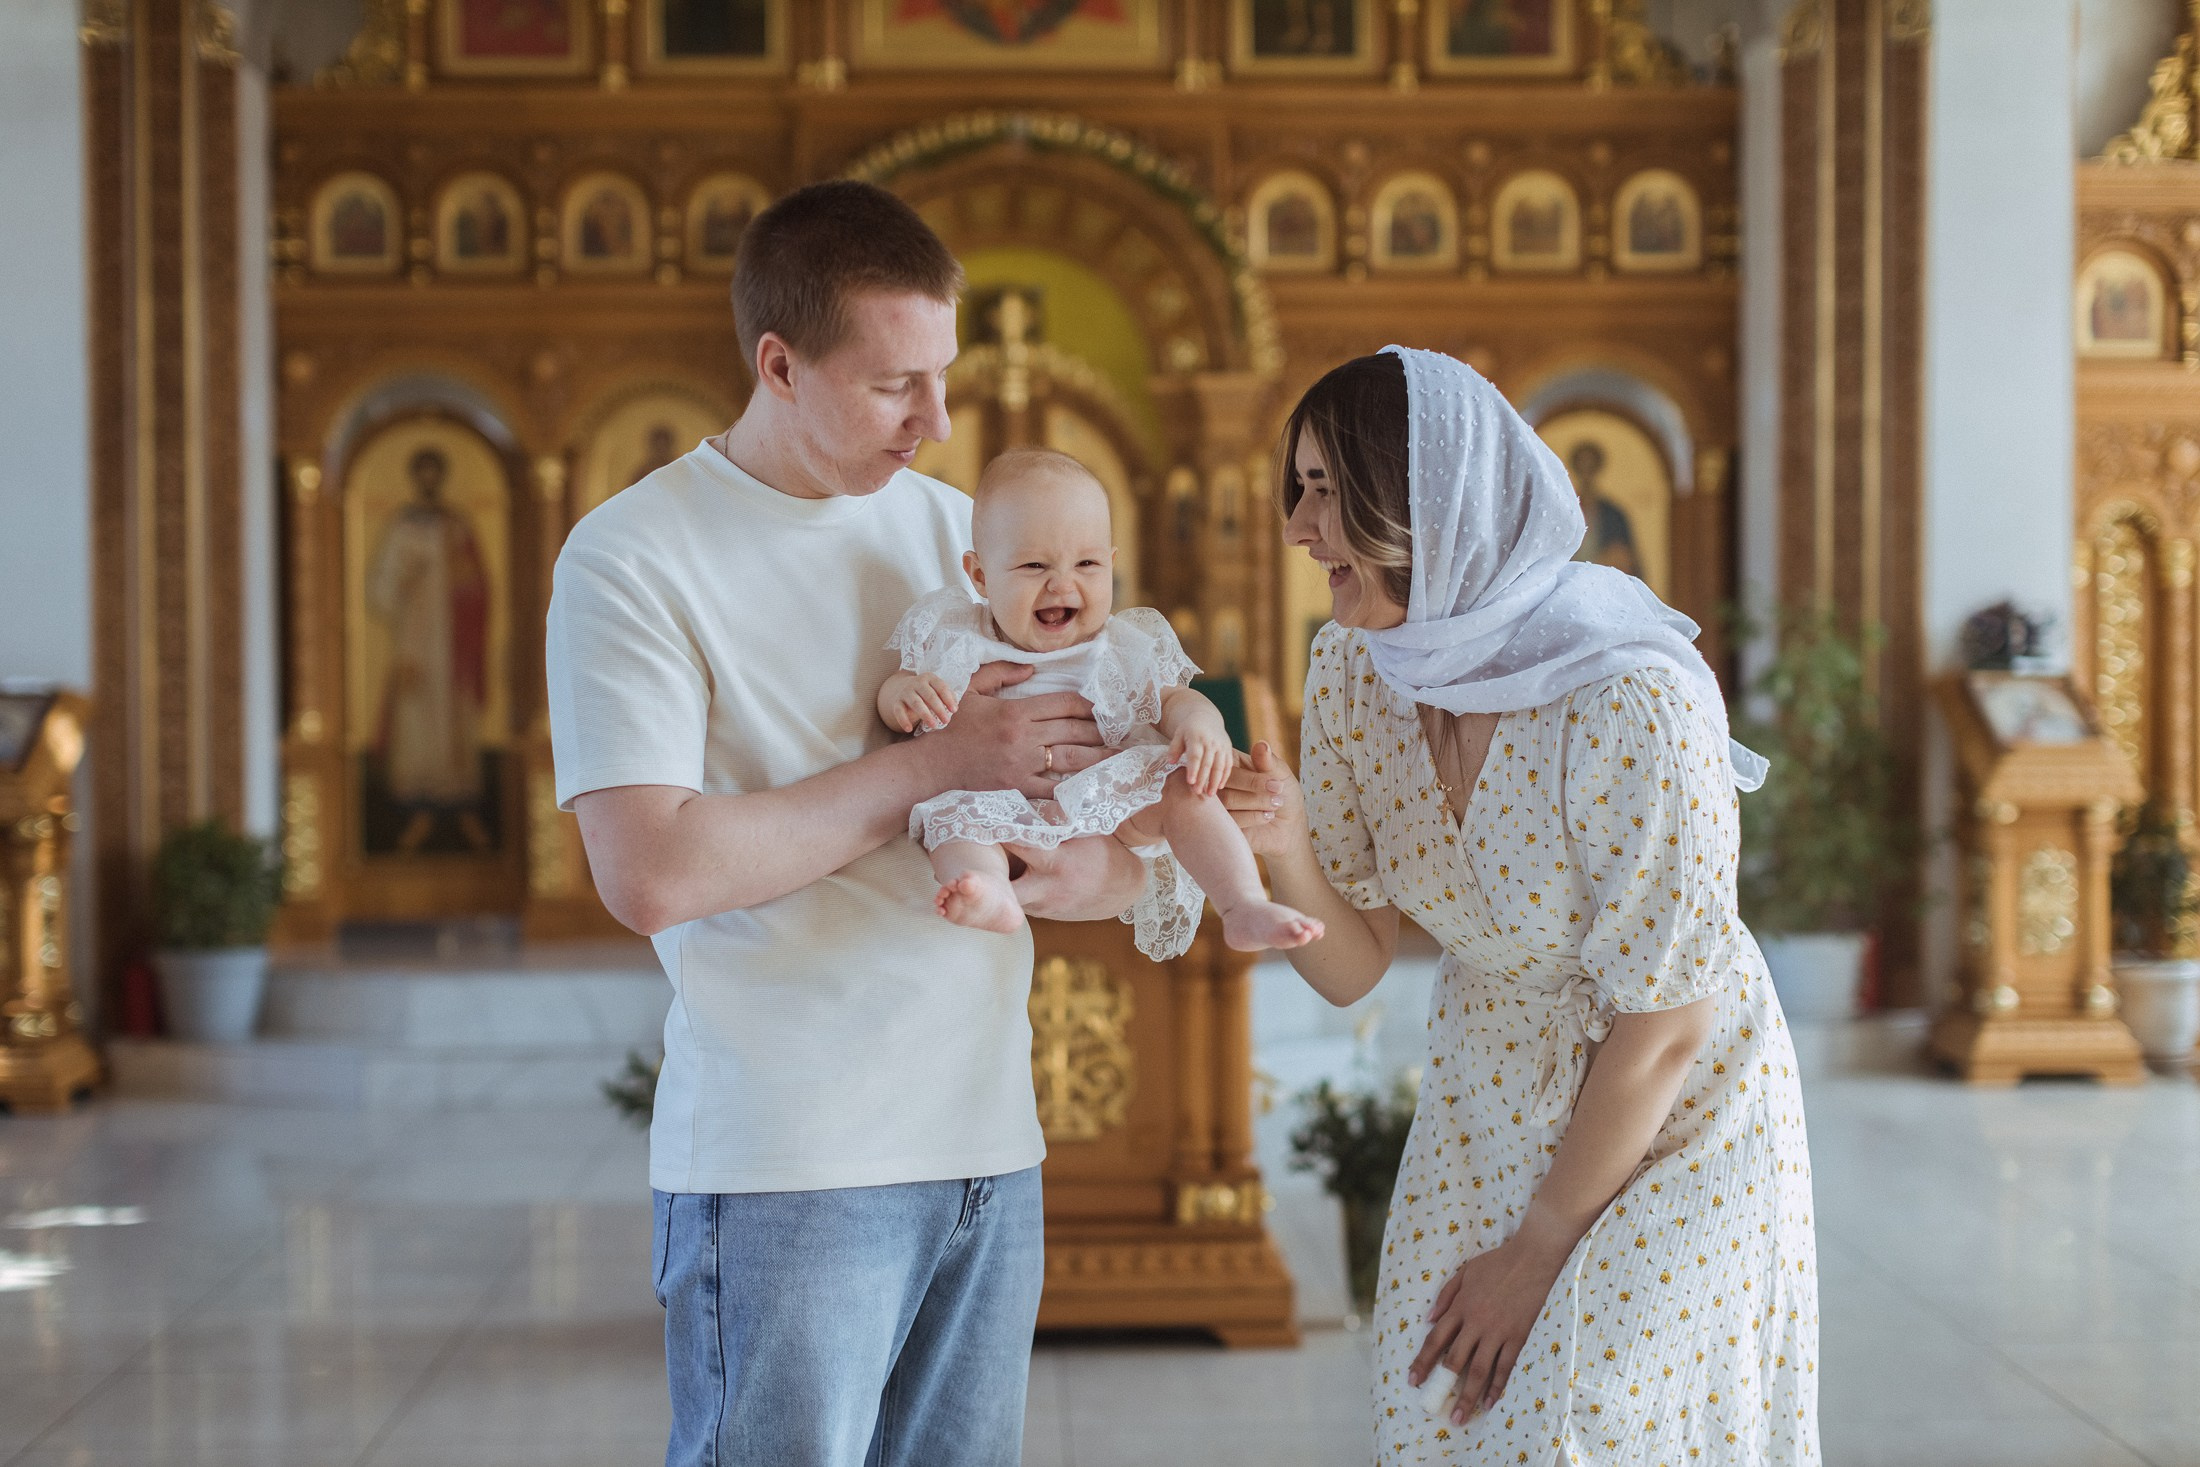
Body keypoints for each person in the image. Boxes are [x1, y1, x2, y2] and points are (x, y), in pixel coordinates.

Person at [545, 179, 1154, 1467]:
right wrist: (939, 763)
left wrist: (1088, 859)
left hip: (987, 1136)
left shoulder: (966, 541)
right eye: (894, 386)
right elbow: (648, 870)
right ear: (779, 364)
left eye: (943, 376)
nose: (937, 422)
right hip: (791, 1163)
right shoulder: (634, 557)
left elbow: (1093, 854)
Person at [1226, 347, 1818, 1463]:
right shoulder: (1357, 671)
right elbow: (1354, 965)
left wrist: (1538, 1246)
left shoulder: (1628, 701)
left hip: (1672, 1109)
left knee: (1600, 1421)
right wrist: (1283, 847)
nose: (1297, 529)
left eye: (1321, 490)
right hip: (1484, 1098)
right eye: (1293, 491)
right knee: (1441, 1416)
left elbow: (1671, 1018)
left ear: (1421, 498)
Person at [883, 446, 1322, 957]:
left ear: (1111, 565)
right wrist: (906, 695)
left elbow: (1173, 698)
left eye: (1086, 563)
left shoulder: (1119, 645)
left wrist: (1204, 727)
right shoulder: (958, 635)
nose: (1062, 583)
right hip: (997, 804)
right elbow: (897, 698)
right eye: (1033, 564)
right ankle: (989, 890)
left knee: (1186, 792)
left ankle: (1243, 903)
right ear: (980, 576)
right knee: (955, 829)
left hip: (1107, 800)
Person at [367, 445, 491, 854]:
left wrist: (464, 583)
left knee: (455, 722)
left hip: (454, 642)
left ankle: (458, 805)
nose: (428, 479)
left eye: (434, 471)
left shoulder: (456, 524)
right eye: (421, 472)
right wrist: (405, 581)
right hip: (416, 642)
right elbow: (380, 590)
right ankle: (415, 810)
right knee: (417, 722)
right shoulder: (402, 526)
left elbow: (479, 584)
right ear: (414, 477)